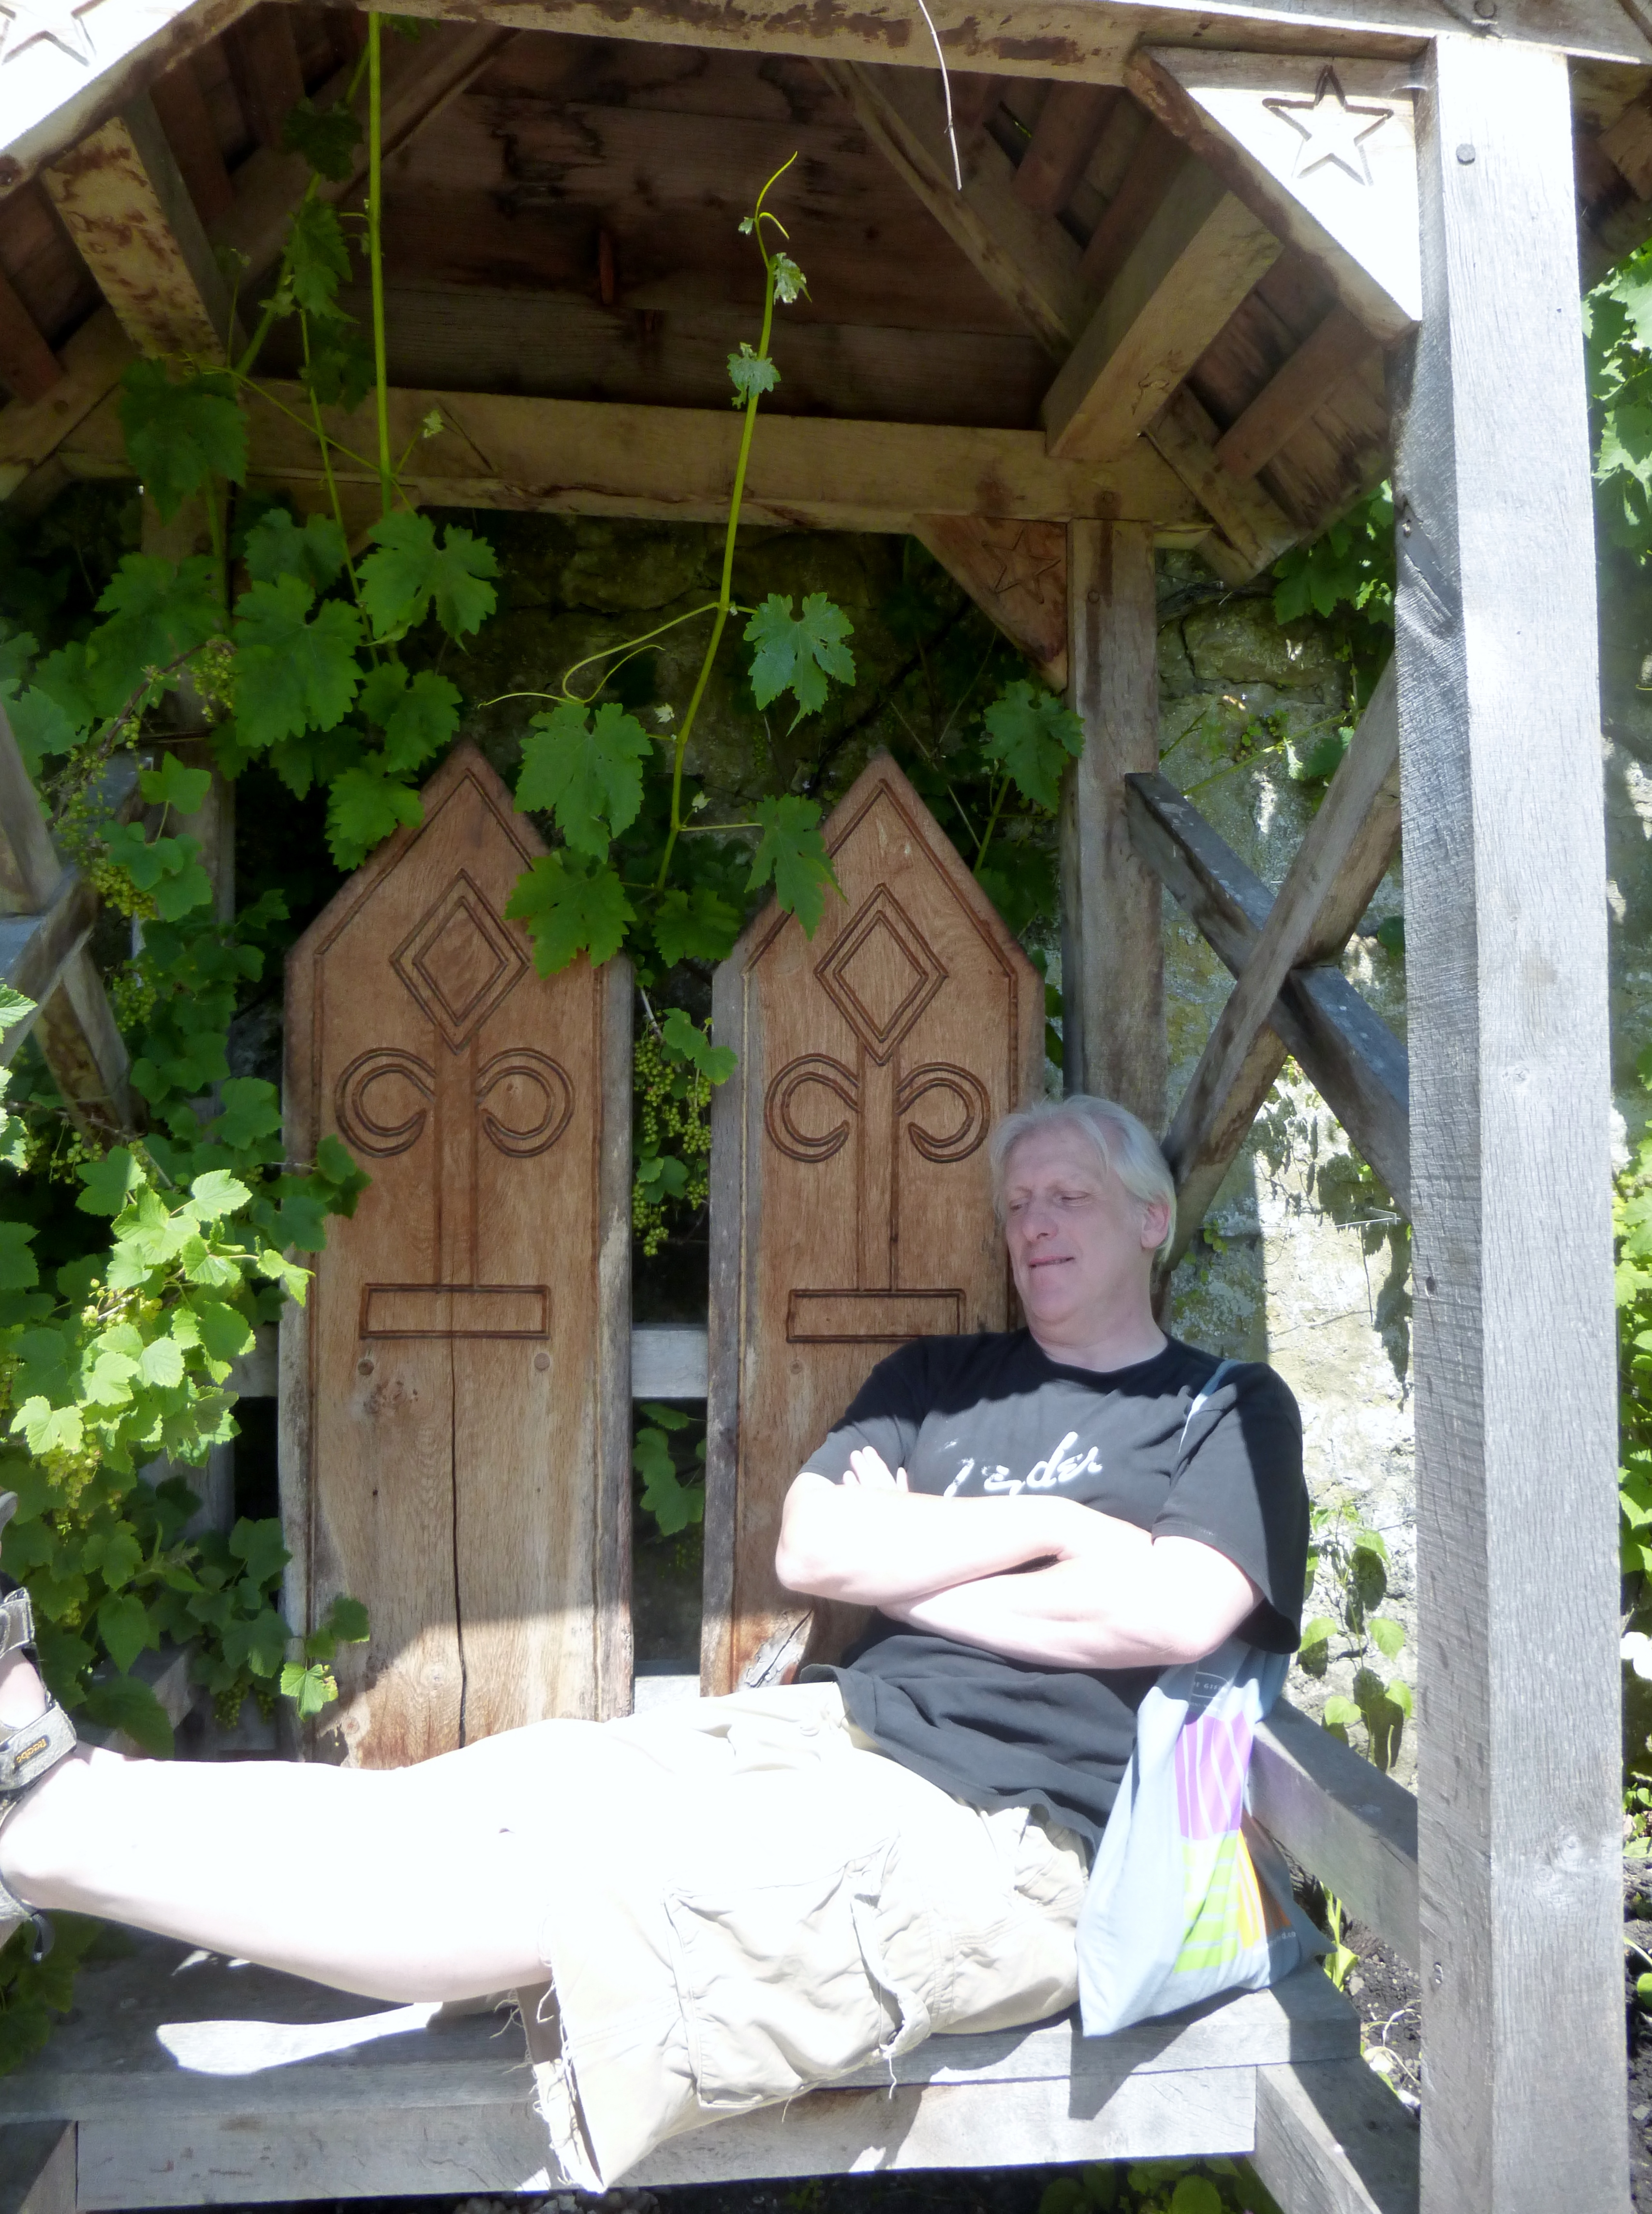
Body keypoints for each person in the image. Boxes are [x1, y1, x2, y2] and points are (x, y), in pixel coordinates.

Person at [0, 1093, 1307, 2187]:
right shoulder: (941, 1378)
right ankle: (63, 1786)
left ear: (1152, 1218)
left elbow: (1169, 1611)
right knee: (497, 1789)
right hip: (835, 1728)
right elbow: (814, 1548)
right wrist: (1062, 1529)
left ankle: (50, 1850)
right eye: (1017, 1204)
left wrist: (918, 1568)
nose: (1033, 1226)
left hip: (1015, 1828)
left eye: (1068, 1197)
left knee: (590, 1892)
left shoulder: (1222, 1408)